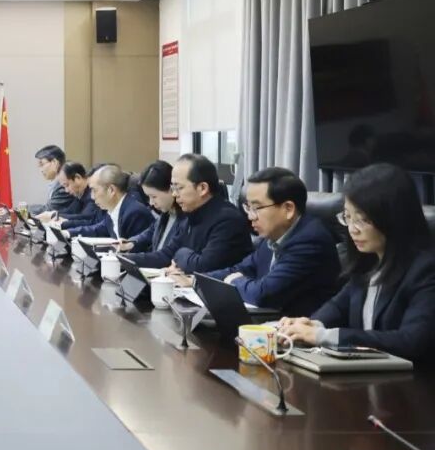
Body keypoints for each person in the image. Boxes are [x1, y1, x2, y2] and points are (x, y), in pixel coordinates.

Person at [280, 163, 435, 362]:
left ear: (393, 218)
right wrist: (310, 325)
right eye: (347, 217)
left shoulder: (425, 270)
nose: (352, 229)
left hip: (413, 379)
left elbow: (410, 341)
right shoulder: (368, 262)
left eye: (362, 220)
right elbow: (338, 307)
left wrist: (324, 336)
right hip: (367, 373)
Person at [172, 168, 340, 316]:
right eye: (248, 208)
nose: (250, 216)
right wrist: (196, 280)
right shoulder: (273, 235)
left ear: (288, 209)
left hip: (298, 333)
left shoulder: (310, 241)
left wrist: (234, 281)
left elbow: (263, 294)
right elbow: (242, 268)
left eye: (256, 208)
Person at [128, 153, 253, 272]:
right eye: (173, 188)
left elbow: (203, 266)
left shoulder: (228, 220)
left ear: (202, 188)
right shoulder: (191, 215)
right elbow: (166, 255)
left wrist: (181, 253)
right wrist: (125, 259)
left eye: (179, 188)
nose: (174, 194)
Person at [62, 164, 154, 240]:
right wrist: (67, 233)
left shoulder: (135, 213)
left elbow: (136, 251)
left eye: (94, 190)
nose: (92, 197)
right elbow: (97, 229)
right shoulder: (114, 210)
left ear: (111, 190)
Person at [121, 161, 182, 253]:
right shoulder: (166, 213)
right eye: (148, 197)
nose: (151, 203)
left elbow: (165, 255)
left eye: (154, 196)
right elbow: (151, 231)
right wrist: (131, 243)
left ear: (171, 189)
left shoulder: (185, 219)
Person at [29, 145, 76, 216]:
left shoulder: (64, 185)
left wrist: (24, 208)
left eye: (42, 164)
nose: (41, 170)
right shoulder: (56, 183)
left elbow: (48, 209)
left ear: (54, 163)